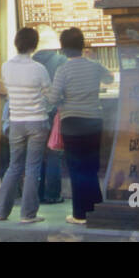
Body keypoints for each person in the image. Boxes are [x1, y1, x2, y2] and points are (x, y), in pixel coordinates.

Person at [45, 28, 113, 224]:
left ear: (63, 49)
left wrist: (57, 96)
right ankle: (96, 208)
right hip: (93, 120)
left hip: (72, 123)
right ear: (83, 46)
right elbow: (109, 78)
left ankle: (80, 214)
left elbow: (52, 98)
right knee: (91, 167)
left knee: (76, 168)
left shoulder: (63, 70)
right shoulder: (95, 66)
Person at [0, 27, 51, 224]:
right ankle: (28, 214)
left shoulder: (6, 67)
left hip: (16, 121)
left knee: (14, 166)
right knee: (32, 168)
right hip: (37, 122)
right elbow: (49, 94)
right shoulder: (39, 69)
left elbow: (8, 90)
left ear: (16, 43)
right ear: (34, 45)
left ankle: (1, 211)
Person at [31, 26, 67, 205]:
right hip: (54, 113)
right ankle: (52, 194)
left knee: (36, 154)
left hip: (33, 114)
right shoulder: (61, 60)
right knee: (54, 153)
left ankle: (36, 194)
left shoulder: (31, 61)